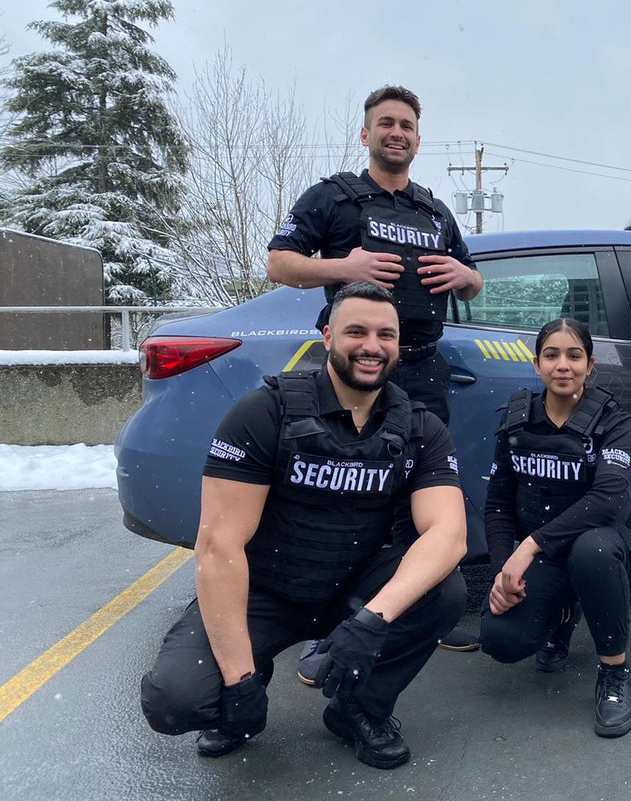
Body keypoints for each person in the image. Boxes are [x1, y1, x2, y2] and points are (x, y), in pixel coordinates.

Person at [140, 282, 468, 769]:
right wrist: (240, 679)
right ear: (327, 336)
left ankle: (358, 709)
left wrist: (373, 620)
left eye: (386, 335)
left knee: (445, 591)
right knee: (176, 701)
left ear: (399, 345)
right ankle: (246, 686)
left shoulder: (420, 426)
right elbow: (218, 545)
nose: (372, 346)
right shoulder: (264, 412)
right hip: (265, 589)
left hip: (354, 587)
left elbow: (448, 534)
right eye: (356, 331)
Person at [266, 83, 481, 658]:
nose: (397, 133)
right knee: (345, 494)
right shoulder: (332, 198)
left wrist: (466, 278)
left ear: (417, 138)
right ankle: (336, 625)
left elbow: (475, 274)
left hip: (423, 368)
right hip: (353, 374)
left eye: (407, 125)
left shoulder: (434, 210)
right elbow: (278, 262)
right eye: (386, 123)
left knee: (424, 491)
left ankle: (422, 610)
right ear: (366, 134)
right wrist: (345, 265)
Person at [479, 318, 631, 738]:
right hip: (550, 557)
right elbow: (498, 504)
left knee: (592, 550)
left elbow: (607, 500)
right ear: (537, 365)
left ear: (590, 366)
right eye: (551, 355)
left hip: (610, 549)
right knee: (500, 640)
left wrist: (530, 545)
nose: (562, 365)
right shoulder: (517, 422)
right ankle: (562, 616)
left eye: (574, 356)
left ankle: (614, 670)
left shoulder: (613, 420)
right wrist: (504, 570)